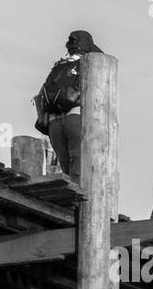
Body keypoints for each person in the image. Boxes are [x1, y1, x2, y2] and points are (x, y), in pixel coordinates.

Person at [34, 30, 104, 181]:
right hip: (74, 117)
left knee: (65, 167)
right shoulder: (89, 63)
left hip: (53, 122)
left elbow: (41, 95)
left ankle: (67, 201)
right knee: (78, 164)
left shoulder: (60, 65)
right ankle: (77, 201)